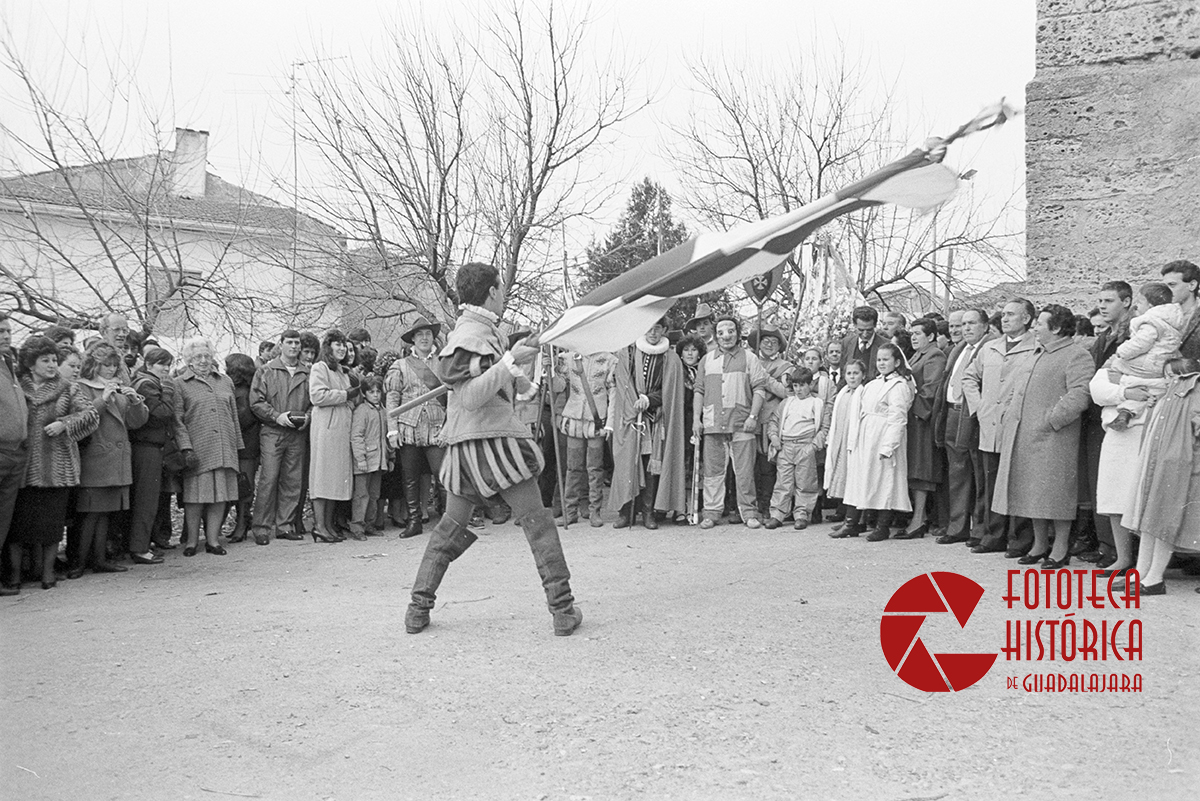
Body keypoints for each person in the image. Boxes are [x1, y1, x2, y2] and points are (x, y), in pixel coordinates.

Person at [404, 262, 582, 637]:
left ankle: (417, 609)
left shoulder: (479, 332)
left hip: (466, 449)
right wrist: (511, 361)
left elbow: (495, 380)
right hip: (495, 445)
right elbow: (471, 397)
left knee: (450, 528)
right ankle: (563, 610)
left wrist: (516, 363)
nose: (502, 294)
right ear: (492, 292)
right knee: (538, 523)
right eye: (500, 288)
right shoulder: (470, 335)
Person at [993, 305, 1093, 569]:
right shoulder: (1038, 353)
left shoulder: (1076, 354)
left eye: (1040, 323)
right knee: (1033, 493)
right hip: (1026, 435)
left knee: (1057, 494)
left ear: (1057, 328)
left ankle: (1060, 548)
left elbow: (1080, 394)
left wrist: (1052, 420)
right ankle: (1039, 545)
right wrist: (1008, 414)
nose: (1035, 327)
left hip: (1055, 438)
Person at [4, 337, 98, 592]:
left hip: (57, 467)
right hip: (21, 468)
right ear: (30, 363)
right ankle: (14, 576)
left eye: (55, 360)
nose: (52, 365)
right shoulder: (15, 386)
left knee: (51, 527)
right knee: (17, 527)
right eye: (45, 360)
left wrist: (65, 424)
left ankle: (48, 574)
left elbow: (90, 415)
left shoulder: (67, 387)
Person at [961, 299, 1039, 556]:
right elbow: (968, 377)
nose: (1004, 319)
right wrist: (979, 407)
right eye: (1003, 315)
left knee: (1018, 481)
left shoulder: (1036, 347)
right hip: (990, 425)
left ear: (1026, 319)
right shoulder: (990, 348)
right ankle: (994, 535)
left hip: (1018, 424)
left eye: (1011, 315)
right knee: (990, 481)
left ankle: (1020, 539)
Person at [1122, 357, 1200, 596]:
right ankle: (1143, 573)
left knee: (1164, 521)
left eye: (1172, 375)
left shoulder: (1191, 392)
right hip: (1165, 466)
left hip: (1181, 467)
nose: (1168, 380)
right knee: (1152, 521)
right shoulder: (1173, 395)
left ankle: (1154, 577)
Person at [73, 343, 148, 575]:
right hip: (96, 458)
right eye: (106, 365)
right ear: (93, 365)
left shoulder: (119, 387)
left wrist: (135, 401)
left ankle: (99, 559)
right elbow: (82, 419)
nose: (111, 369)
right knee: (90, 513)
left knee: (105, 513)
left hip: (117, 459)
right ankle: (79, 562)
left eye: (114, 365)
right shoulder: (82, 387)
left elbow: (135, 423)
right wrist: (103, 400)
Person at [606, 317, 686, 529]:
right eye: (649, 328)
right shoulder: (628, 354)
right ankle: (626, 512)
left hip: (656, 418)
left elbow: (671, 391)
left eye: (657, 329)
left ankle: (648, 512)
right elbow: (623, 383)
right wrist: (635, 404)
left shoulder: (671, 359)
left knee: (652, 466)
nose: (652, 333)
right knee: (627, 463)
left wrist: (649, 400)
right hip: (631, 418)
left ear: (664, 330)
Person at [694, 316, 769, 529]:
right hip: (713, 423)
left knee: (745, 472)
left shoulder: (749, 358)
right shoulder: (707, 360)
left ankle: (749, 512)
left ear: (737, 333)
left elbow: (759, 389)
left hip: (742, 422)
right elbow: (699, 390)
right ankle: (711, 512)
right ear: (716, 335)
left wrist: (753, 417)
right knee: (713, 472)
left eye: (730, 331)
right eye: (721, 332)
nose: (726, 336)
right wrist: (696, 420)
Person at [1077, 281, 1133, 565]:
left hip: (1121, 417)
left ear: (1126, 302)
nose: (1102, 306)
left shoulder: (1132, 335)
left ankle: (1120, 551)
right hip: (1097, 417)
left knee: (1118, 487)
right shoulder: (1104, 338)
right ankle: (1106, 546)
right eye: (1100, 300)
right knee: (1100, 486)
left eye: (1108, 300)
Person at [174, 337, 243, 557]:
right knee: (195, 498)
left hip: (224, 446)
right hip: (198, 447)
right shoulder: (180, 383)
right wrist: (186, 448)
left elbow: (233, 415)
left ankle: (213, 541)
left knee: (220, 496)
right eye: (197, 357)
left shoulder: (225, 381)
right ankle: (191, 542)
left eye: (206, 356)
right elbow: (177, 420)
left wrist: (236, 445)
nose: (203, 360)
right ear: (189, 360)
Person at [841, 343, 915, 541]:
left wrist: (889, 446)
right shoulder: (872, 384)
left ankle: (883, 526)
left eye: (886, 359)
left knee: (886, 480)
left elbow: (898, 418)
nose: (881, 363)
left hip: (884, 436)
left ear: (897, 362)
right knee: (865, 478)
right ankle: (854, 523)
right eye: (879, 360)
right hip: (867, 437)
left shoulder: (899, 386)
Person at [933, 308, 992, 545]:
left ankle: (979, 529)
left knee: (978, 473)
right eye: (962, 324)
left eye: (971, 323)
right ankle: (957, 527)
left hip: (973, 416)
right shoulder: (958, 350)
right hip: (952, 413)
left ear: (985, 326)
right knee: (957, 473)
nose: (966, 328)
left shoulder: (989, 348)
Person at [386, 316, 447, 539]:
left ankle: (448, 524)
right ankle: (414, 521)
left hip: (437, 427)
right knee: (410, 478)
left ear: (433, 337)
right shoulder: (400, 366)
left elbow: (453, 398)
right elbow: (392, 399)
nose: (424, 338)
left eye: (428, 334)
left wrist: (449, 427)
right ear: (412, 339)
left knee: (443, 476)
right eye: (419, 334)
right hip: (408, 427)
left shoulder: (444, 363)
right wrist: (392, 430)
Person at [250, 330, 311, 545]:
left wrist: (308, 417)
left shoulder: (307, 373)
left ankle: (285, 526)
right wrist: (277, 416)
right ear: (281, 344)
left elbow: (314, 403)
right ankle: (261, 528)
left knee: (292, 481)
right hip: (272, 431)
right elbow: (256, 402)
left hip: (297, 434)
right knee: (269, 479)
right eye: (290, 342)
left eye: (297, 343)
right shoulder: (266, 371)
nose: (294, 346)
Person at [1105, 282, 1183, 430]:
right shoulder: (1170, 322)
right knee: (1145, 388)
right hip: (1161, 364)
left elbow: (1141, 343)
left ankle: (1124, 409)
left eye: (1140, 302)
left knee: (1115, 367)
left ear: (1151, 306)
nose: (1136, 306)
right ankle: (1127, 412)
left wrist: (1122, 351)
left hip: (1148, 364)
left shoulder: (1150, 322)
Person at [556, 347, 616, 526]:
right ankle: (570, 512)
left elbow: (613, 392)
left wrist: (610, 422)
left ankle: (594, 511)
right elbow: (558, 386)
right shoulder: (567, 358)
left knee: (595, 468)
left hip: (597, 420)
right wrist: (550, 371)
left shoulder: (609, 360)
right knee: (573, 467)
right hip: (574, 418)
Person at [898, 318, 947, 539]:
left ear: (931, 336)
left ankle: (918, 519)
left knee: (922, 471)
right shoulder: (917, 355)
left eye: (918, 333)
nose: (914, 337)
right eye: (912, 333)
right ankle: (919, 517)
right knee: (915, 469)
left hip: (922, 420)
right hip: (914, 419)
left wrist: (911, 410)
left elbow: (931, 389)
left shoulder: (934, 355)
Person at [308, 329, 358, 543]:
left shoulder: (342, 371)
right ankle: (319, 526)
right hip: (327, 428)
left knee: (335, 479)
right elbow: (317, 396)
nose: (342, 348)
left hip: (341, 428)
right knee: (322, 477)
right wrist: (345, 395)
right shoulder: (320, 367)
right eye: (337, 344)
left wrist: (352, 398)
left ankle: (328, 524)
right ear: (328, 347)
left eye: (344, 345)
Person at [128, 347, 176, 564]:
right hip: (146, 447)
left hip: (149, 446)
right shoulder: (147, 384)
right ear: (148, 364)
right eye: (161, 364)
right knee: (146, 500)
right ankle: (139, 548)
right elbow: (162, 412)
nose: (166, 368)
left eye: (168, 364)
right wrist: (167, 389)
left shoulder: (147, 382)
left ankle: (142, 544)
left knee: (148, 499)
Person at [765, 369, 827, 530]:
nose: (799, 389)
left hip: (805, 445)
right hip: (786, 445)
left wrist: (814, 446)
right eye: (795, 386)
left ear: (811, 385)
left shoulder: (817, 403)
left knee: (805, 483)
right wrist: (774, 437)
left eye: (802, 385)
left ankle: (802, 514)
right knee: (783, 482)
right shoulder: (787, 403)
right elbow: (774, 421)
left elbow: (825, 428)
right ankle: (777, 514)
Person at [749, 326, 793, 518]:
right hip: (749, 418)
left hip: (772, 420)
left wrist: (764, 378)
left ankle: (767, 505)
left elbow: (786, 391)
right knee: (750, 466)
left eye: (773, 342)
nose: (769, 344)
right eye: (765, 341)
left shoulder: (786, 367)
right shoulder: (750, 361)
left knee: (768, 465)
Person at [0, 313, 28, 586]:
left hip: (14, 453)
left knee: (3, 521)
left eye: (8, 330)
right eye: (0, 331)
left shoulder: (8, 364)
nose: (6, 336)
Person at [825, 360, 866, 538]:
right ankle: (852, 520)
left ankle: (853, 522)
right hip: (841, 442)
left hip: (855, 443)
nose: (852, 377)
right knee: (846, 480)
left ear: (863, 375)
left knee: (855, 481)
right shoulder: (843, 393)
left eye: (856, 373)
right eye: (849, 373)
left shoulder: (863, 393)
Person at [225, 353, 261, 543]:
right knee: (241, 485)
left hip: (246, 445)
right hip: (242, 444)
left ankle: (242, 524)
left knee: (244, 485)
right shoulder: (236, 389)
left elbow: (244, 418)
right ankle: (241, 522)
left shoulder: (244, 392)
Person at [350, 374, 390, 539]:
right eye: (371, 392)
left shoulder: (383, 411)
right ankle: (357, 526)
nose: (375, 395)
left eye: (378, 391)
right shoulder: (362, 411)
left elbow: (386, 437)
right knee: (361, 495)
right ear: (364, 393)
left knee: (374, 494)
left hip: (379, 460)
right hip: (365, 460)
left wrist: (390, 457)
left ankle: (369, 524)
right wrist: (360, 458)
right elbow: (356, 436)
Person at [1161, 259, 1200, 359]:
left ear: (1192, 285)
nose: (1166, 291)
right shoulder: (1159, 313)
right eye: (1164, 286)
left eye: (1172, 285)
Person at [840, 306, 890, 382]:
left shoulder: (886, 345)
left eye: (869, 330)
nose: (865, 334)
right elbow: (843, 372)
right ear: (855, 324)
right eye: (861, 330)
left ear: (875, 325)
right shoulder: (846, 342)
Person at [97, 313, 133, 383]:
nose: (122, 334)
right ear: (104, 332)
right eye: (116, 330)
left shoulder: (119, 355)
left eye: (125, 330)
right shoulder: (98, 356)